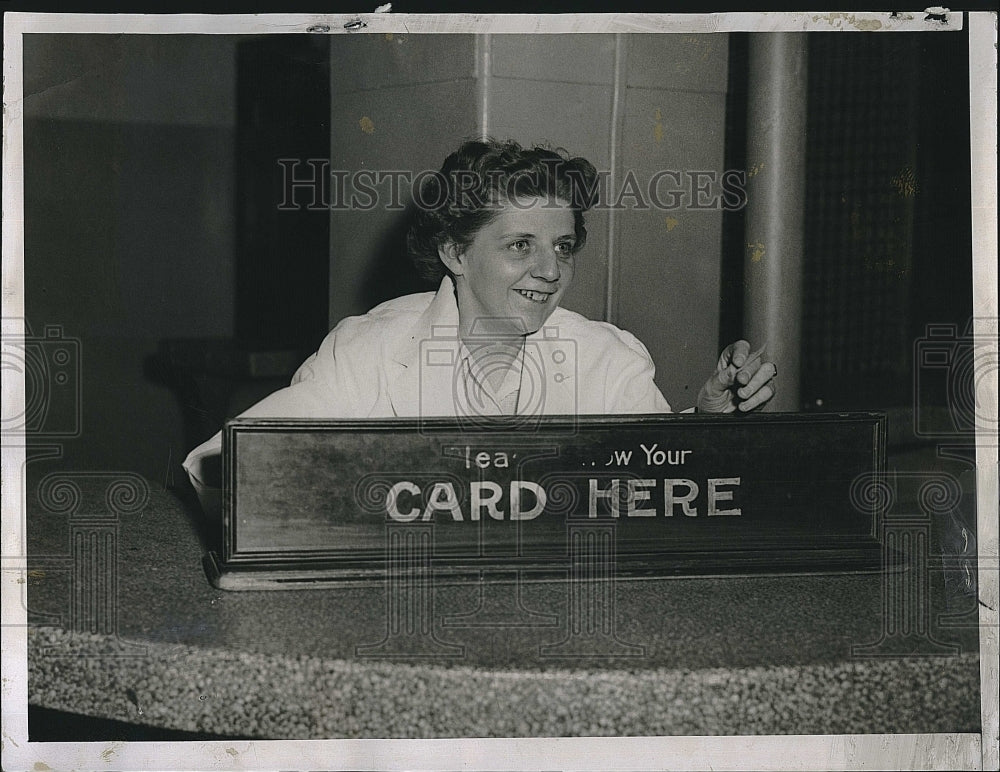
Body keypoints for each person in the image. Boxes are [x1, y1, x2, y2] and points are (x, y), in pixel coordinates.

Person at [183, 139, 777, 515]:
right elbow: (225, 467)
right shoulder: (369, 351)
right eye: (521, 245)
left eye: (563, 247)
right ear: (455, 253)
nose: (550, 271)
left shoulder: (606, 357)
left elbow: (667, 488)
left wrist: (706, 423)